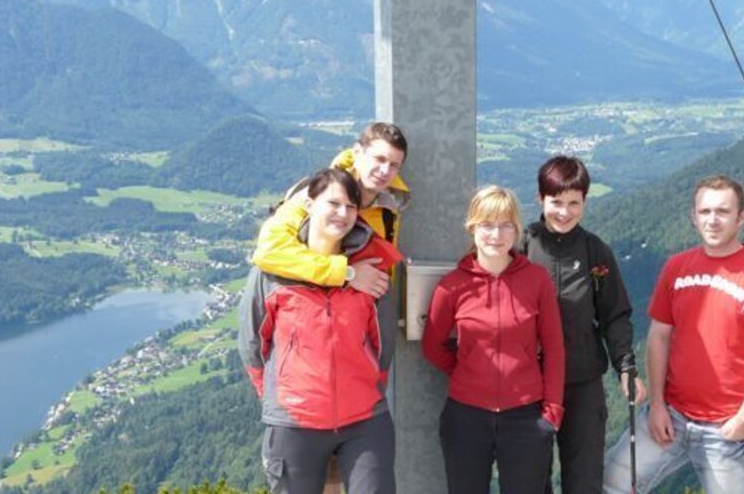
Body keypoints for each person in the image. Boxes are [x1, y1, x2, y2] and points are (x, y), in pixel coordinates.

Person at [604, 175, 744, 494]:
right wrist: (659, 404)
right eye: (705, 212)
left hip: (729, 427)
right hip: (672, 414)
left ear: (741, 217)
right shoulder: (677, 267)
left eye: (723, 212)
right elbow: (659, 337)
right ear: (694, 217)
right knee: (612, 481)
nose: (713, 220)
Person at [237, 168, 403, 494]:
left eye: (351, 207)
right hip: (295, 419)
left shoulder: (373, 270)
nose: (342, 214)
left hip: (365, 417)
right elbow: (252, 341)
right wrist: (277, 394)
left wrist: (367, 386)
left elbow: (383, 345)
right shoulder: (272, 272)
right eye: (333, 203)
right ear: (310, 204)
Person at [422, 185, 566, 494]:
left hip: (527, 417)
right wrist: (469, 370)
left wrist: (551, 412)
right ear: (472, 227)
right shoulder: (452, 287)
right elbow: (432, 346)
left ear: (516, 230)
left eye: (505, 225)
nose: (495, 235)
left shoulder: (537, 279)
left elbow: (554, 348)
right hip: (466, 417)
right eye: (487, 225)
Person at [521, 156, 645, 494]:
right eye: (556, 202)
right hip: (530, 383)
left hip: (582, 382)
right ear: (540, 199)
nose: (564, 212)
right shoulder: (522, 247)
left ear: (585, 202)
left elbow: (614, 314)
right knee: (531, 478)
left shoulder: (595, 252)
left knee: (585, 478)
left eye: (574, 203)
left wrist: (626, 367)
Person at [252, 121, 410, 299]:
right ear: (357, 153)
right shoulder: (317, 194)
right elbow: (269, 251)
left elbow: (380, 276)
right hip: (294, 306)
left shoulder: (388, 208)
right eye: (379, 159)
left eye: (394, 165)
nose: (384, 171)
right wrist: (346, 273)